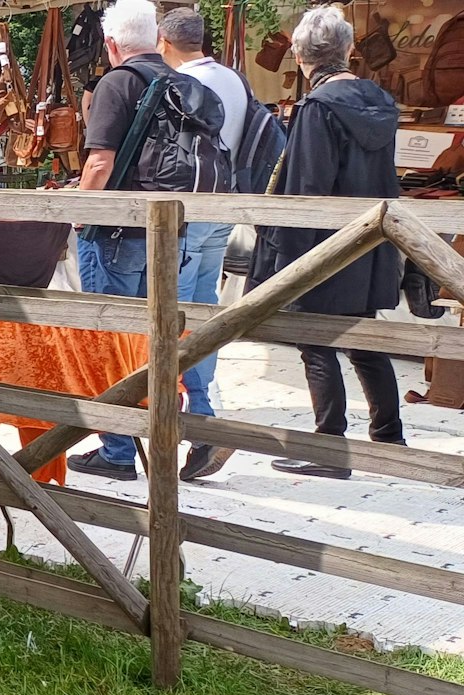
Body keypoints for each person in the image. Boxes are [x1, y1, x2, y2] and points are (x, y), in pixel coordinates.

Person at [67, 0, 229, 481]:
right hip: (172, 234)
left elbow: (99, 163)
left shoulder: (117, 82)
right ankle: (181, 431)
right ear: (156, 37)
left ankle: (118, 449)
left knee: (113, 338)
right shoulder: (186, 82)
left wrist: (78, 213)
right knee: (159, 339)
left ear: (112, 42)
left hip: (118, 232)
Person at [249, 6, 407, 477]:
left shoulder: (318, 108)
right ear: (348, 51)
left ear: (299, 55)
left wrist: (286, 257)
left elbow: (307, 189)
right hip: (370, 239)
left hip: (323, 243)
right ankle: (390, 442)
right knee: (364, 337)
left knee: (315, 342)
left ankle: (330, 452)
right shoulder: (378, 100)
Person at [159, 7, 249, 481]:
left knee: (175, 315)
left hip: (188, 209)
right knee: (202, 310)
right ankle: (203, 415)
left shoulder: (182, 86)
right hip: (223, 201)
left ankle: (202, 420)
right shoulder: (233, 79)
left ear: (165, 41)